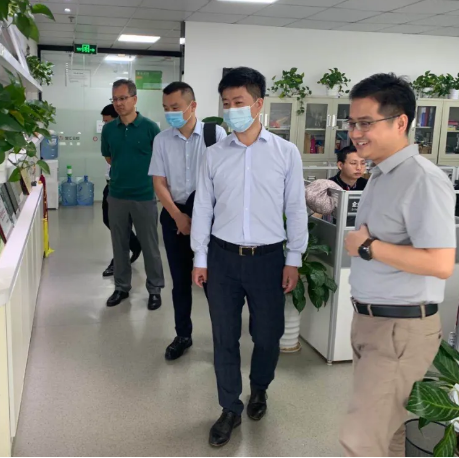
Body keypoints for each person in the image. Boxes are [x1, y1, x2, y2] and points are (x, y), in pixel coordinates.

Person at [191, 67, 308, 447]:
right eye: (226, 103)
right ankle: (229, 407)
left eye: (238, 102)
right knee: (224, 336)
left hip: (268, 260)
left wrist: (294, 258)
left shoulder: (285, 153)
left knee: (268, 335)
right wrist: (200, 258)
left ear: (258, 104)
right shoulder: (213, 155)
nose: (231, 110)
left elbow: (296, 207)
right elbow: (203, 207)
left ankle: (260, 387)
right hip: (222, 259)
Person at [340, 73, 456, 457]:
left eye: (366, 123)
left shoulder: (422, 179)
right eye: (352, 123)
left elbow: (440, 263)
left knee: (361, 440)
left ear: (400, 122)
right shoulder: (379, 174)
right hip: (372, 322)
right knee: (387, 435)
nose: (355, 133)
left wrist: (368, 246)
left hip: (399, 329)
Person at [148, 82, 226, 361]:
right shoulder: (162, 140)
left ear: (192, 106)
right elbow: (159, 183)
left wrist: (203, 219)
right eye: (166, 108)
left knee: (213, 283)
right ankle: (183, 334)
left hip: (211, 216)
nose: (170, 113)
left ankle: (222, 340)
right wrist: (178, 216)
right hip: (174, 215)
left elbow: (223, 178)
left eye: (175, 107)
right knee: (180, 281)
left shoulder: (214, 134)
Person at [101, 80, 164, 310]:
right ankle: (121, 287)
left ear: (135, 99)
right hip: (117, 195)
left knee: (150, 246)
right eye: (115, 99)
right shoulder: (109, 129)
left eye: (123, 98)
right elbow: (109, 157)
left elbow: (160, 160)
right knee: (119, 244)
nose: (118, 103)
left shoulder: (150, 128)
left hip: (144, 196)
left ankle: (155, 289)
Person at [100, 104, 141, 277]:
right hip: (111, 184)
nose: (105, 125)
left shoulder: (133, 134)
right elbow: (109, 159)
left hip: (127, 188)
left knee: (120, 226)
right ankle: (135, 244)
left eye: (107, 121)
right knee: (109, 220)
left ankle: (119, 261)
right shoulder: (110, 134)